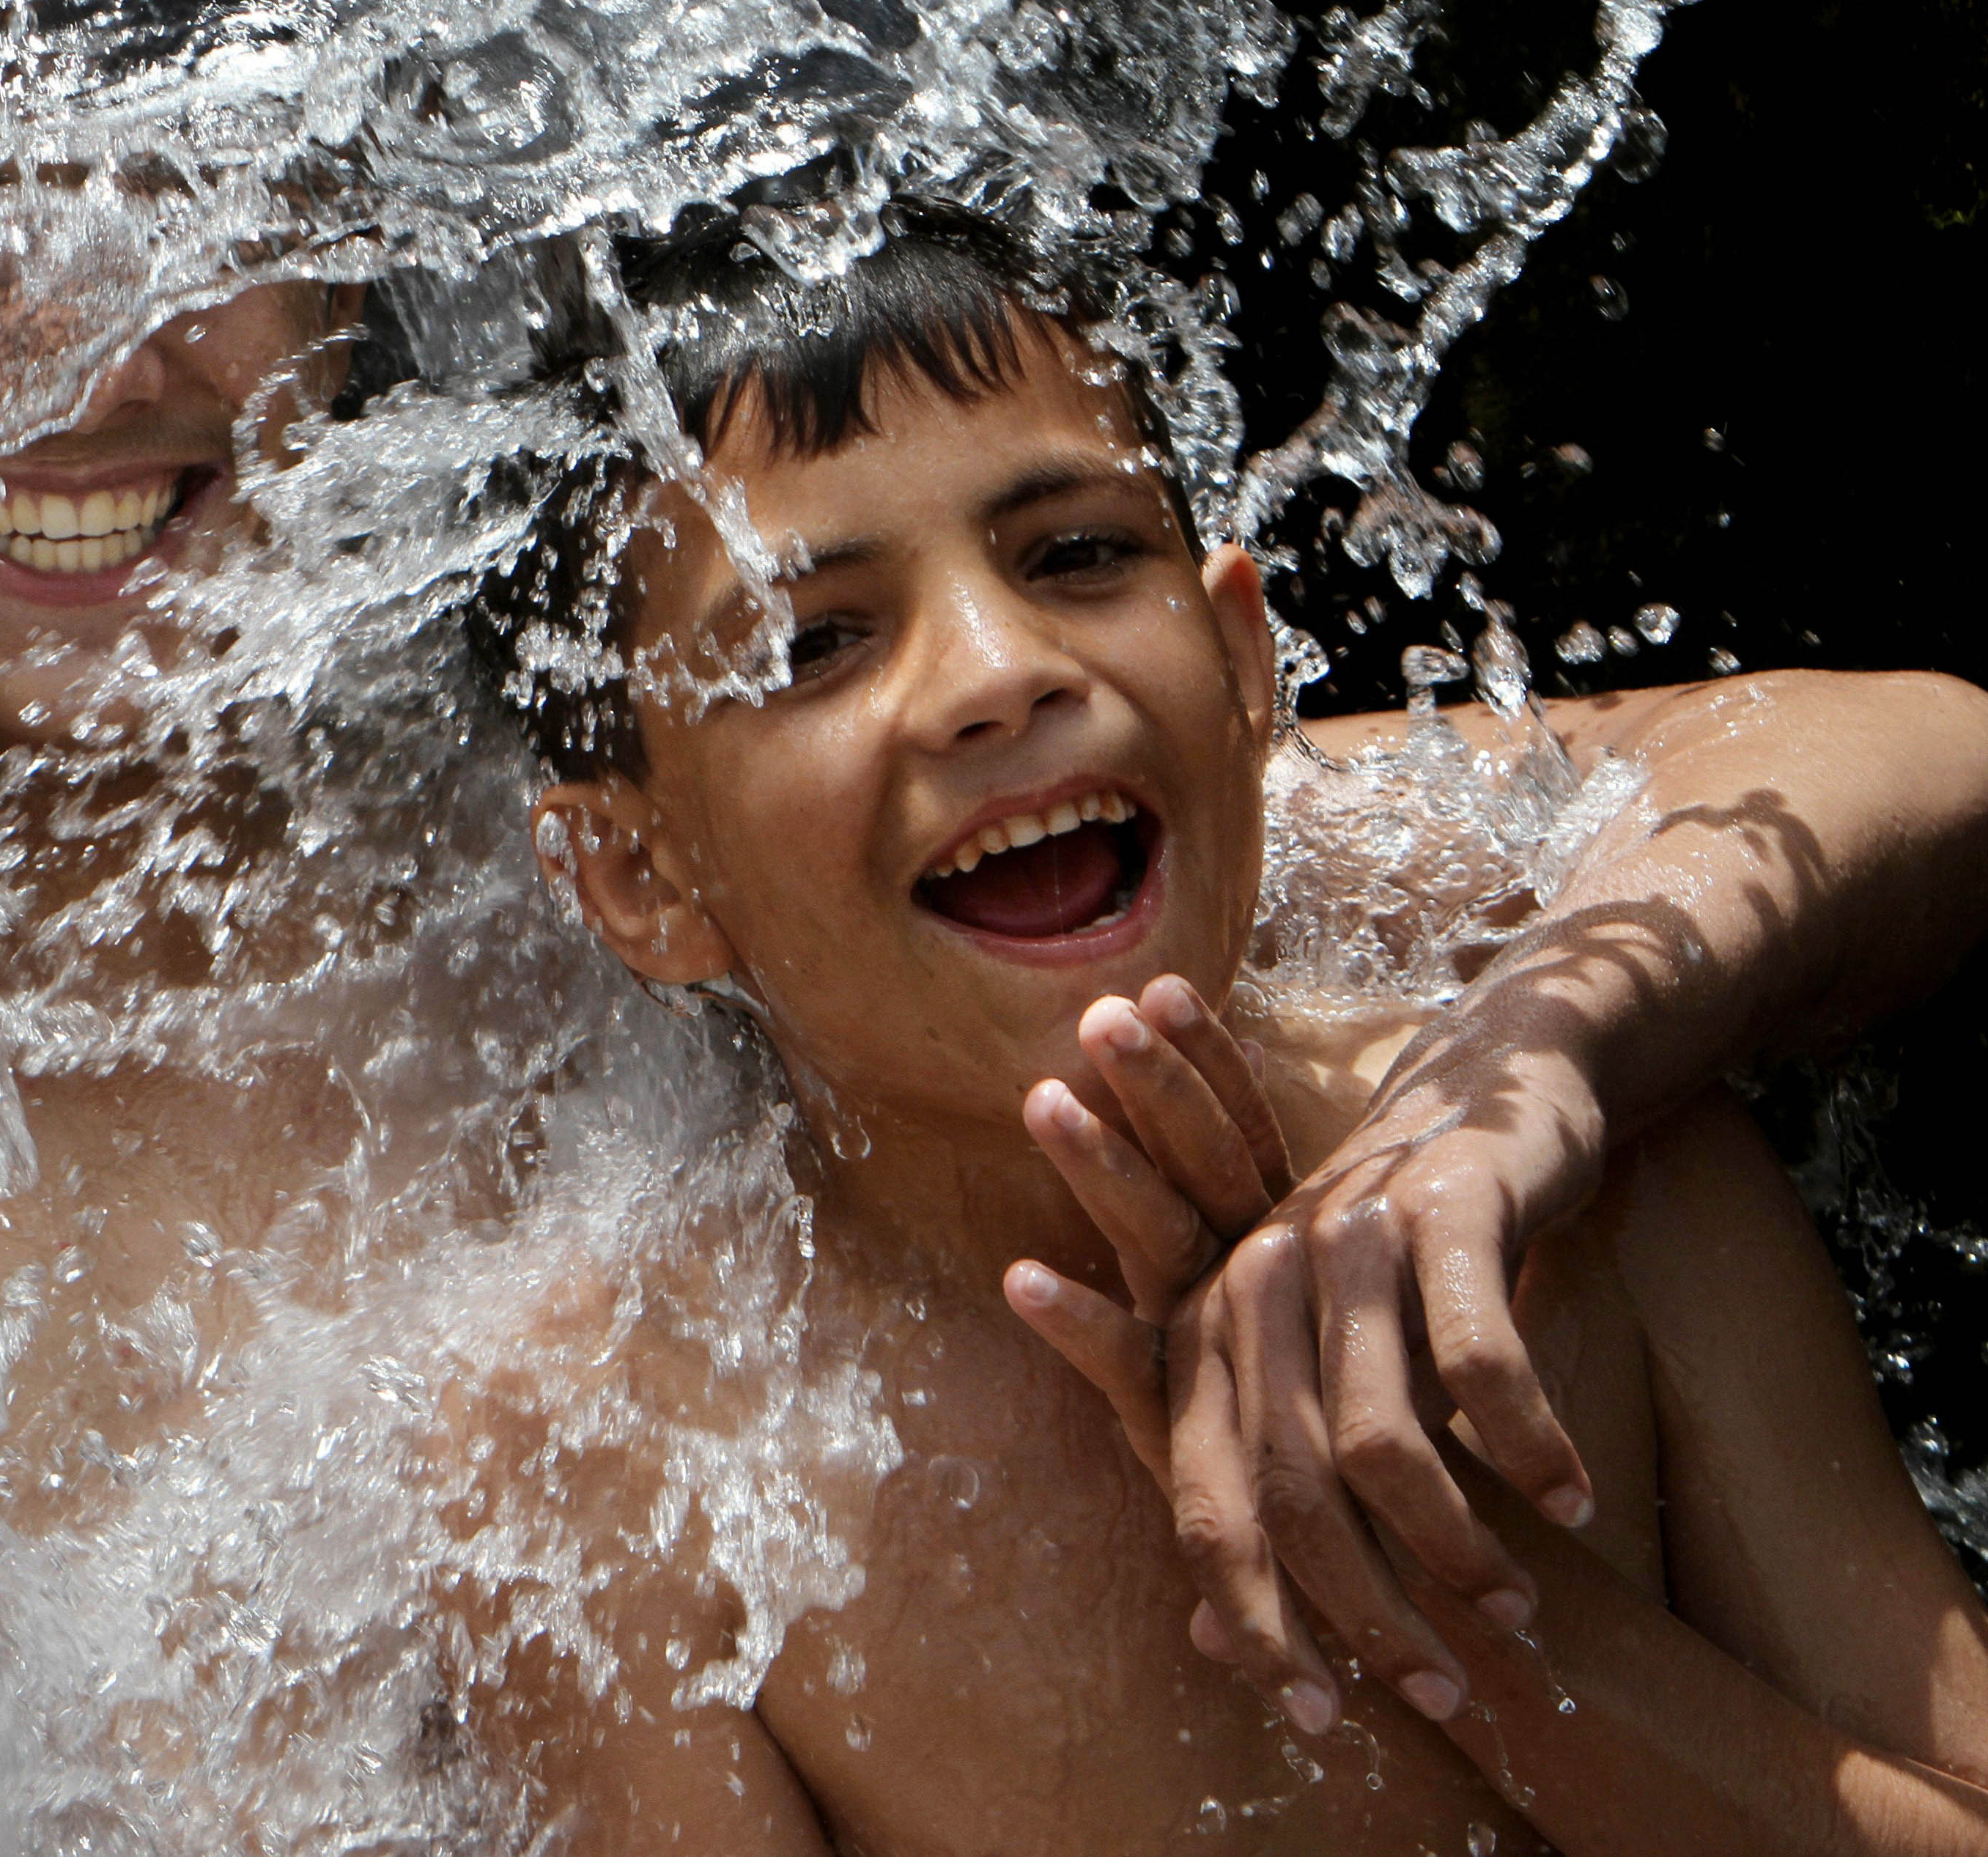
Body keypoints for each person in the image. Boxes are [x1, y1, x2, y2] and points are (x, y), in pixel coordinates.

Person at [482, 205, 1988, 1852]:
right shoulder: (612, 1454)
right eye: (815, 639)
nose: (999, 669)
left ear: (1242, 657)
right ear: (638, 873)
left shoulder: (1593, 1177)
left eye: (1075, 553)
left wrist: (1477, 1615)